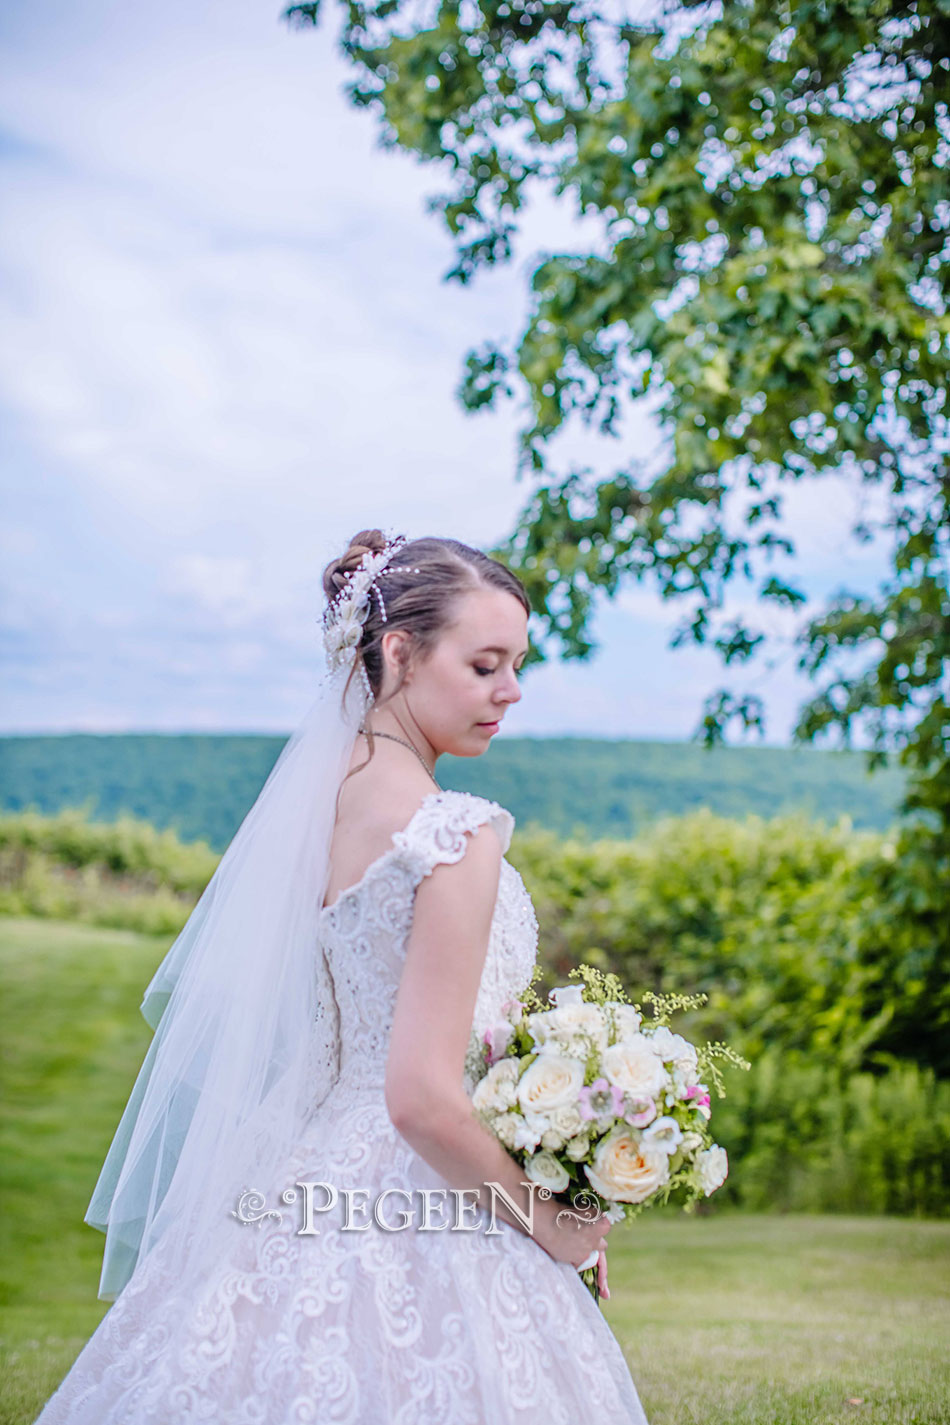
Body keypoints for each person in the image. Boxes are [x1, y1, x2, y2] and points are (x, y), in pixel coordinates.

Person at [32, 529, 650, 1423]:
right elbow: (422, 1098)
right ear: (398, 650)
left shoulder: (323, 803)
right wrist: (547, 1220)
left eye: (517, 664)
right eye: (485, 665)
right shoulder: (454, 833)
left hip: (306, 1169)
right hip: (425, 1193)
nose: (509, 691)